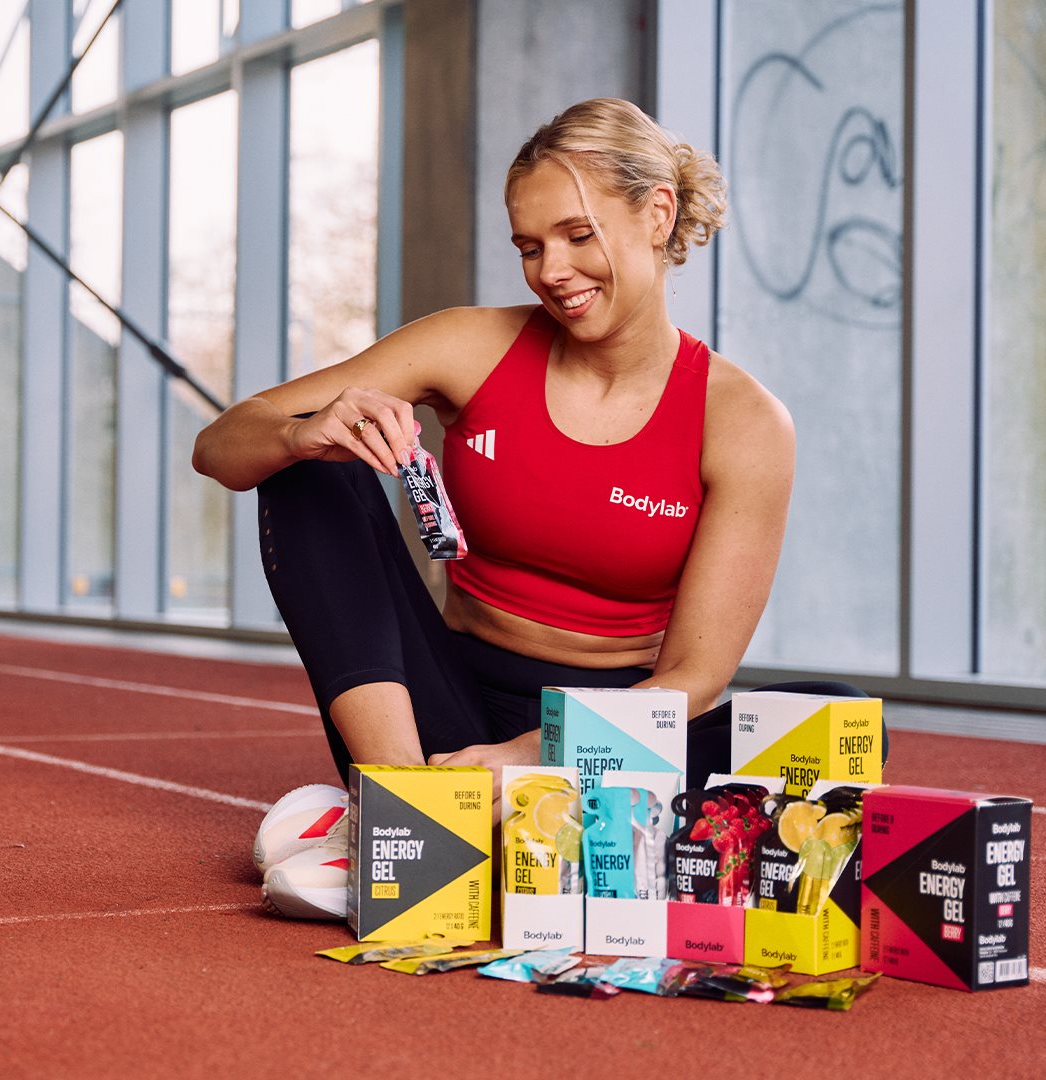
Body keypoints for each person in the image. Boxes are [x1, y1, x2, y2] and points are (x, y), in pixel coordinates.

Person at [193, 98, 881, 920]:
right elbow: (221, 445)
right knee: (308, 462)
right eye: (529, 247)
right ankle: (410, 817)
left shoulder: (743, 422)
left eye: (577, 236)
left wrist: (534, 755)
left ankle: (444, 835)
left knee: (835, 714)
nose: (552, 270)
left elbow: (694, 680)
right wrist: (302, 432)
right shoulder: (470, 345)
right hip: (442, 712)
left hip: (608, 741)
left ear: (658, 213)